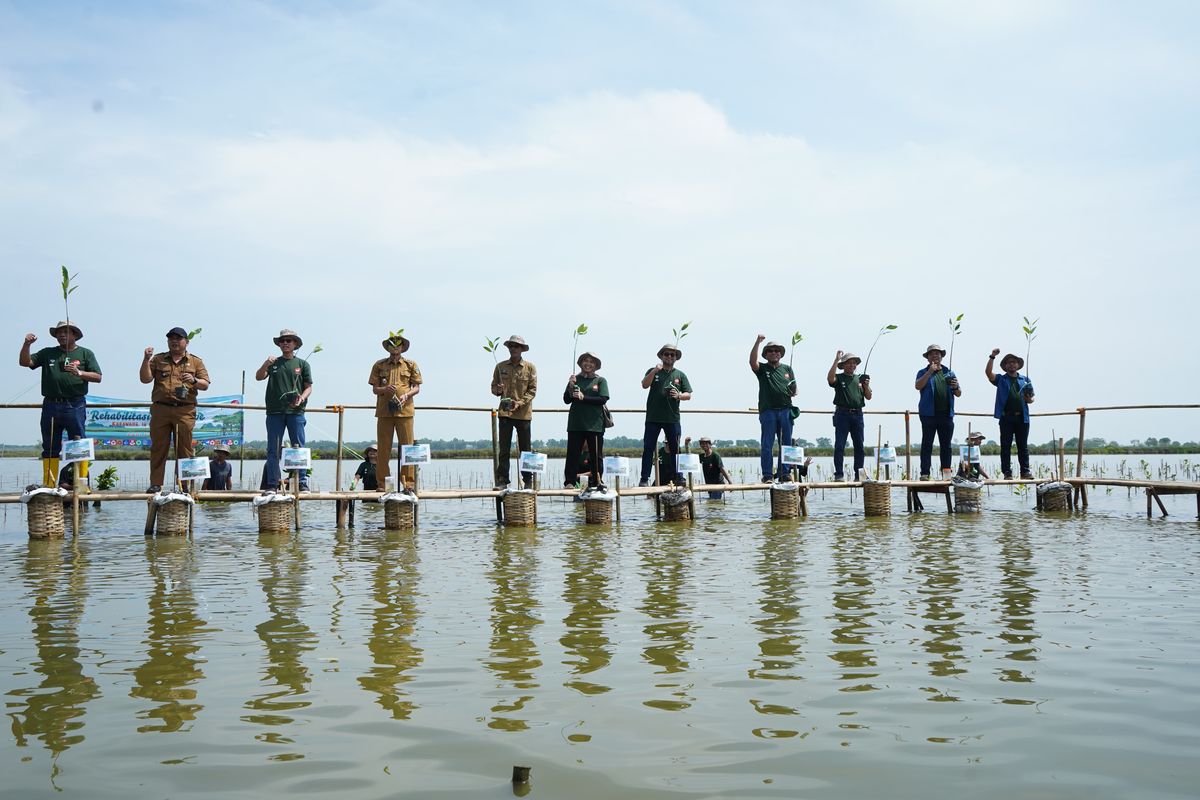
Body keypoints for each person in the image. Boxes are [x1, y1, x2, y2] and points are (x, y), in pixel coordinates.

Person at [19, 321, 103, 487]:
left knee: (79, 445)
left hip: (75, 404)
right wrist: (26, 344)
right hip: (50, 405)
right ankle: (49, 485)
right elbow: (25, 362)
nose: (62, 335)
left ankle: (81, 484)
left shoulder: (86, 353)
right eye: (59, 332)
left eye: (66, 332)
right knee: (50, 446)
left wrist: (79, 373)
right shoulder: (47, 353)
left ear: (74, 335)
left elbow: (98, 377)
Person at [140, 327, 210, 492]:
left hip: (185, 411)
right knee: (158, 448)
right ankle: (156, 484)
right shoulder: (158, 359)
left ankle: (183, 485)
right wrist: (145, 359)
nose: (174, 341)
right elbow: (145, 379)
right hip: (161, 410)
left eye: (178, 338)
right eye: (171, 338)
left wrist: (193, 380)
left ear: (186, 341)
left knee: (184, 448)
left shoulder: (195, 361)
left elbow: (205, 384)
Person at [256, 329, 313, 491]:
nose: (285, 343)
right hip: (274, 412)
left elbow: (309, 387)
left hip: (296, 412)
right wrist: (266, 364)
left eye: (289, 340)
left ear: (295, 344)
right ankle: (273, 483)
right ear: (279, 344)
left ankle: (301, 482)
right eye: (282, 341)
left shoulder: (303, 364)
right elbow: (259, 377)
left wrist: (302, 398)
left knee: (299, 447)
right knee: (273, 449)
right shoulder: (273, 362)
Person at [370, 331, 422, 490]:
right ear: (388, 348)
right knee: (383, 449)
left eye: (397, 344)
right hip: (384, 412)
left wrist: (406, 395)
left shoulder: (411, 364)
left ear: (402, 347)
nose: (394, 347)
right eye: (391, 344)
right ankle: (385, 484)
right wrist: (384, 389)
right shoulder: (379, 365)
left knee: (407, 448)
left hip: (405, 411)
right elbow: (374, 389)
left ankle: (408, 483)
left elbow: (417, 387)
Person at [639, 344, 693, 486]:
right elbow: (644, 385)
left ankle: (678, 476)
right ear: (662, 356)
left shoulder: (680, 375)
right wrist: (655, 371)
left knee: (676, 449)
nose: (669, 356)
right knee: (648, 448)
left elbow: (689, 395)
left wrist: (679, 395)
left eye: (672, 355)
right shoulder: (654, 370)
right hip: (653, 417)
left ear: (675, 358)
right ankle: (644, 478)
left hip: (672, 418)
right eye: (667, 354)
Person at [490, 335, 538, 489]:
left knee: (526, 449)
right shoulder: (500, 366)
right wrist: (498, 389)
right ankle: (503, 480)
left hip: (523, 414)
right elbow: (493, 389)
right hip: (505, 413)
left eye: (516, 346)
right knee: (504, 449)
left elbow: (532, 390)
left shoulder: (530, 367)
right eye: (511, 346)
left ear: (522, 349)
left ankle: (528, 481)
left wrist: (520, 403)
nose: (513, 349)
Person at [749, 335, 797, 483]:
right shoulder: (763, 368)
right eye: (770, 351)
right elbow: (752, 362)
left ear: (781, 354)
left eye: (777, 351)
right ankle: (768, 475)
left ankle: (784, 473)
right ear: (766, 354)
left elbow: (795, 389)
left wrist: (793, 391)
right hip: (768, 410)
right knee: (767, 444)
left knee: (786, 444)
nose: (774, 353)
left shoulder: (787, 369)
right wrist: (757, 342)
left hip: (785, 410)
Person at [986, 348, 1036, 480]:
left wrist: (1029, 399)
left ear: (1018, 365)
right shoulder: (1001, 379)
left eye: (1014, 362)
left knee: (1023, 446)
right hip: (1006, 417)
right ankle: (1007, 473)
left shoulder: (1025, 379)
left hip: (1022, 417)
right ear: (1005, 366)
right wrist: (992, 357)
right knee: (1006, 446)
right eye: (1008, 363)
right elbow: (988, 373)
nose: (1012, 364)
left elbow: (1031, 398)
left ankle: (1025, 472)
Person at [914, 343, 961, 480]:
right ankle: (925, 473)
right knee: (927, 444)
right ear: (928, 358)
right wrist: (930, 372)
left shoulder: (949, 372)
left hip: (946, 414)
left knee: (946, 445)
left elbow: (958, 393)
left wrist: (955, 386)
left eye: (937, 353)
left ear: (941, 356)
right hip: (928, 414)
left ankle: (946, 473)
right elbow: (918, 386)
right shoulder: (923, 372)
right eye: (932, 354)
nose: (935, 355)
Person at [563, 351, 608, 490]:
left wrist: (584, 397)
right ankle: (569, 481)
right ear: (581, 363)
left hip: (595, 424)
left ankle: (597, 481)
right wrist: (570, 385)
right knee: (572, 453)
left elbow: (603, 399)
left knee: (596, 455)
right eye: (585, 361)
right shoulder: (575, 379)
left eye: (591, 362)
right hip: (576, 423)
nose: (588, 364)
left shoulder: (600, 380)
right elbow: (566, 400)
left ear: (595, 365)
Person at [827, 350, 872, 481]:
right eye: (849, 363)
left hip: (858, 414)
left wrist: (866, 385)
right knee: (840, 446)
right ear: (843, 365)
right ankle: (839, 474)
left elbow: (868, 396)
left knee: (860, 446)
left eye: (854, 363)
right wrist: (836, 360)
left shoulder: (860, 379)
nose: (852, 365)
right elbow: (830, 379)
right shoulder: (839, 378)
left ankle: (859, 475)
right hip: (842, 414)